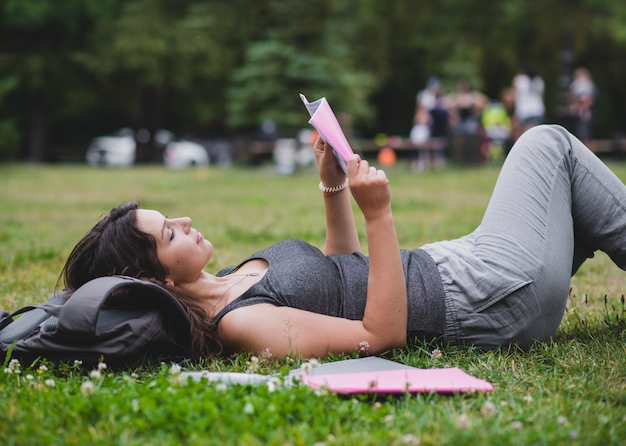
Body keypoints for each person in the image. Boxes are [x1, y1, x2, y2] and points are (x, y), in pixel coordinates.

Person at [60, 125, 626, 360]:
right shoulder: (239, 323)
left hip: (465, 265)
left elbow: (338, 275)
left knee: (567, 182)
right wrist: (377, 215)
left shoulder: (229, 277)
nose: (183, 220)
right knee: (547, 145)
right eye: (168, 233)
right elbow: (378, 333)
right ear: (158, 279)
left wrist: (331, 184)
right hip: (487, 297)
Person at [512, 63, 545, 140]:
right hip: (538, 111)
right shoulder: (539, 80)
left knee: (524, 137)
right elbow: (541, 97)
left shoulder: (519, 79)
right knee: (535, 136)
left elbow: (514, 97)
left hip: (524, 111)